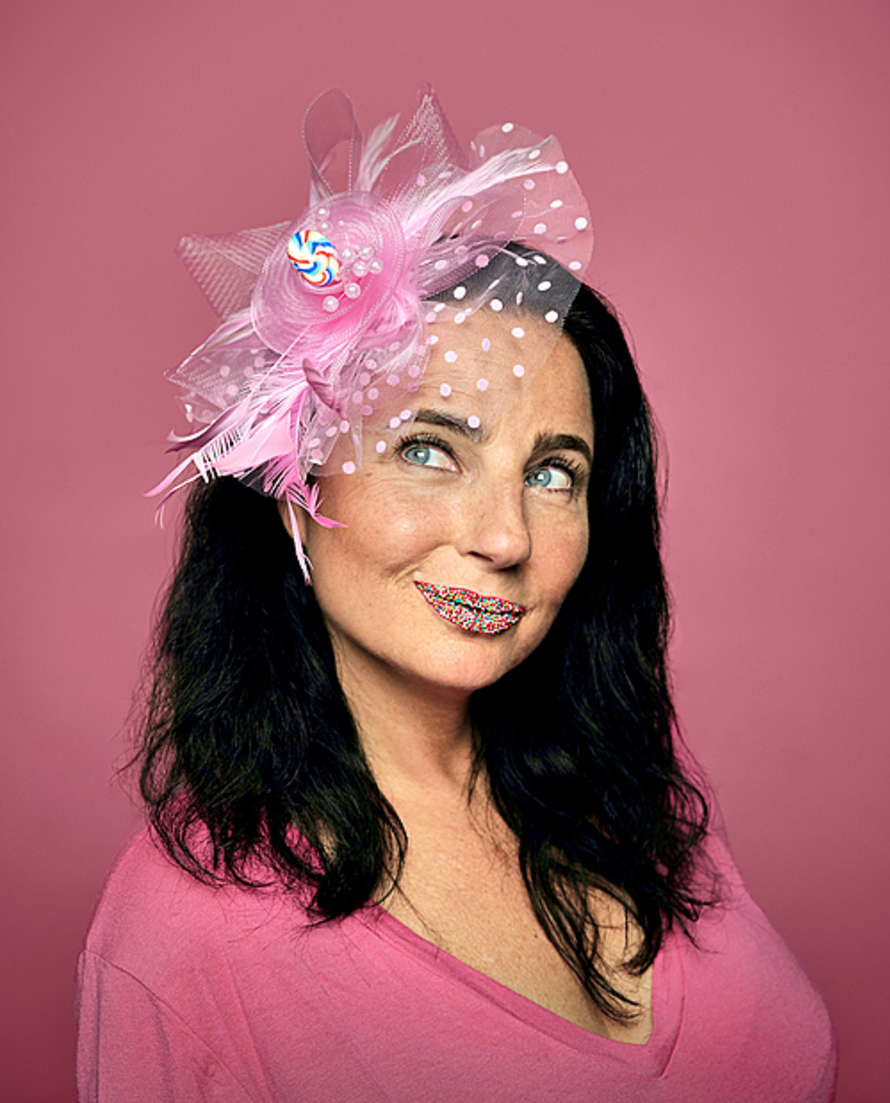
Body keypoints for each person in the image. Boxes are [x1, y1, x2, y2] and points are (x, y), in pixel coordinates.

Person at [76, 89, 837, 1101]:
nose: (506, 537)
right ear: (294, 487)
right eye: (429, 449)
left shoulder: (631, 782)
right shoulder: (180, 935)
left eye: (553, 472)